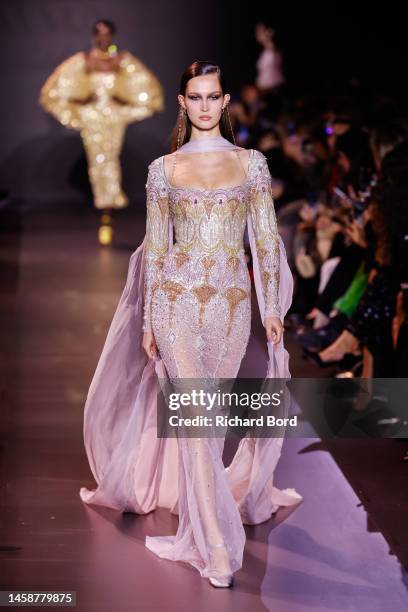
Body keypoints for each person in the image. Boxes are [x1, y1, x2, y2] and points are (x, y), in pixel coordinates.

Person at [79, 60, 302, 588]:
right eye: (195, 97)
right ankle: (217, 547)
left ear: (225, 103)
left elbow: (266, 241)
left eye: (213, 97)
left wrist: (273, 307)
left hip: (230, 305)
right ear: (183, 102)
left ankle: (206, 528)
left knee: (212, 421)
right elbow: (158, 247)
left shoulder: (252, 164)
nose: (205, 105)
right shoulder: (163, 169)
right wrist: (151, 318)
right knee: (199, 425)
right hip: (176, 305)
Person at [39, 19, 164, 245]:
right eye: (99, 33)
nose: (103, 38)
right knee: (98, 161)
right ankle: (105, 210)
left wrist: (123, 97)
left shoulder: (122, 60)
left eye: (107, 34)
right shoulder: (84, 60)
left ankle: (108, 209)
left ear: (113, 36)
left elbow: (148, 91)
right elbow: (55, 91)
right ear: (94, 36)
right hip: (92, 117)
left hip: (114, 117)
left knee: (110, 158)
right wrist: (82, 97)